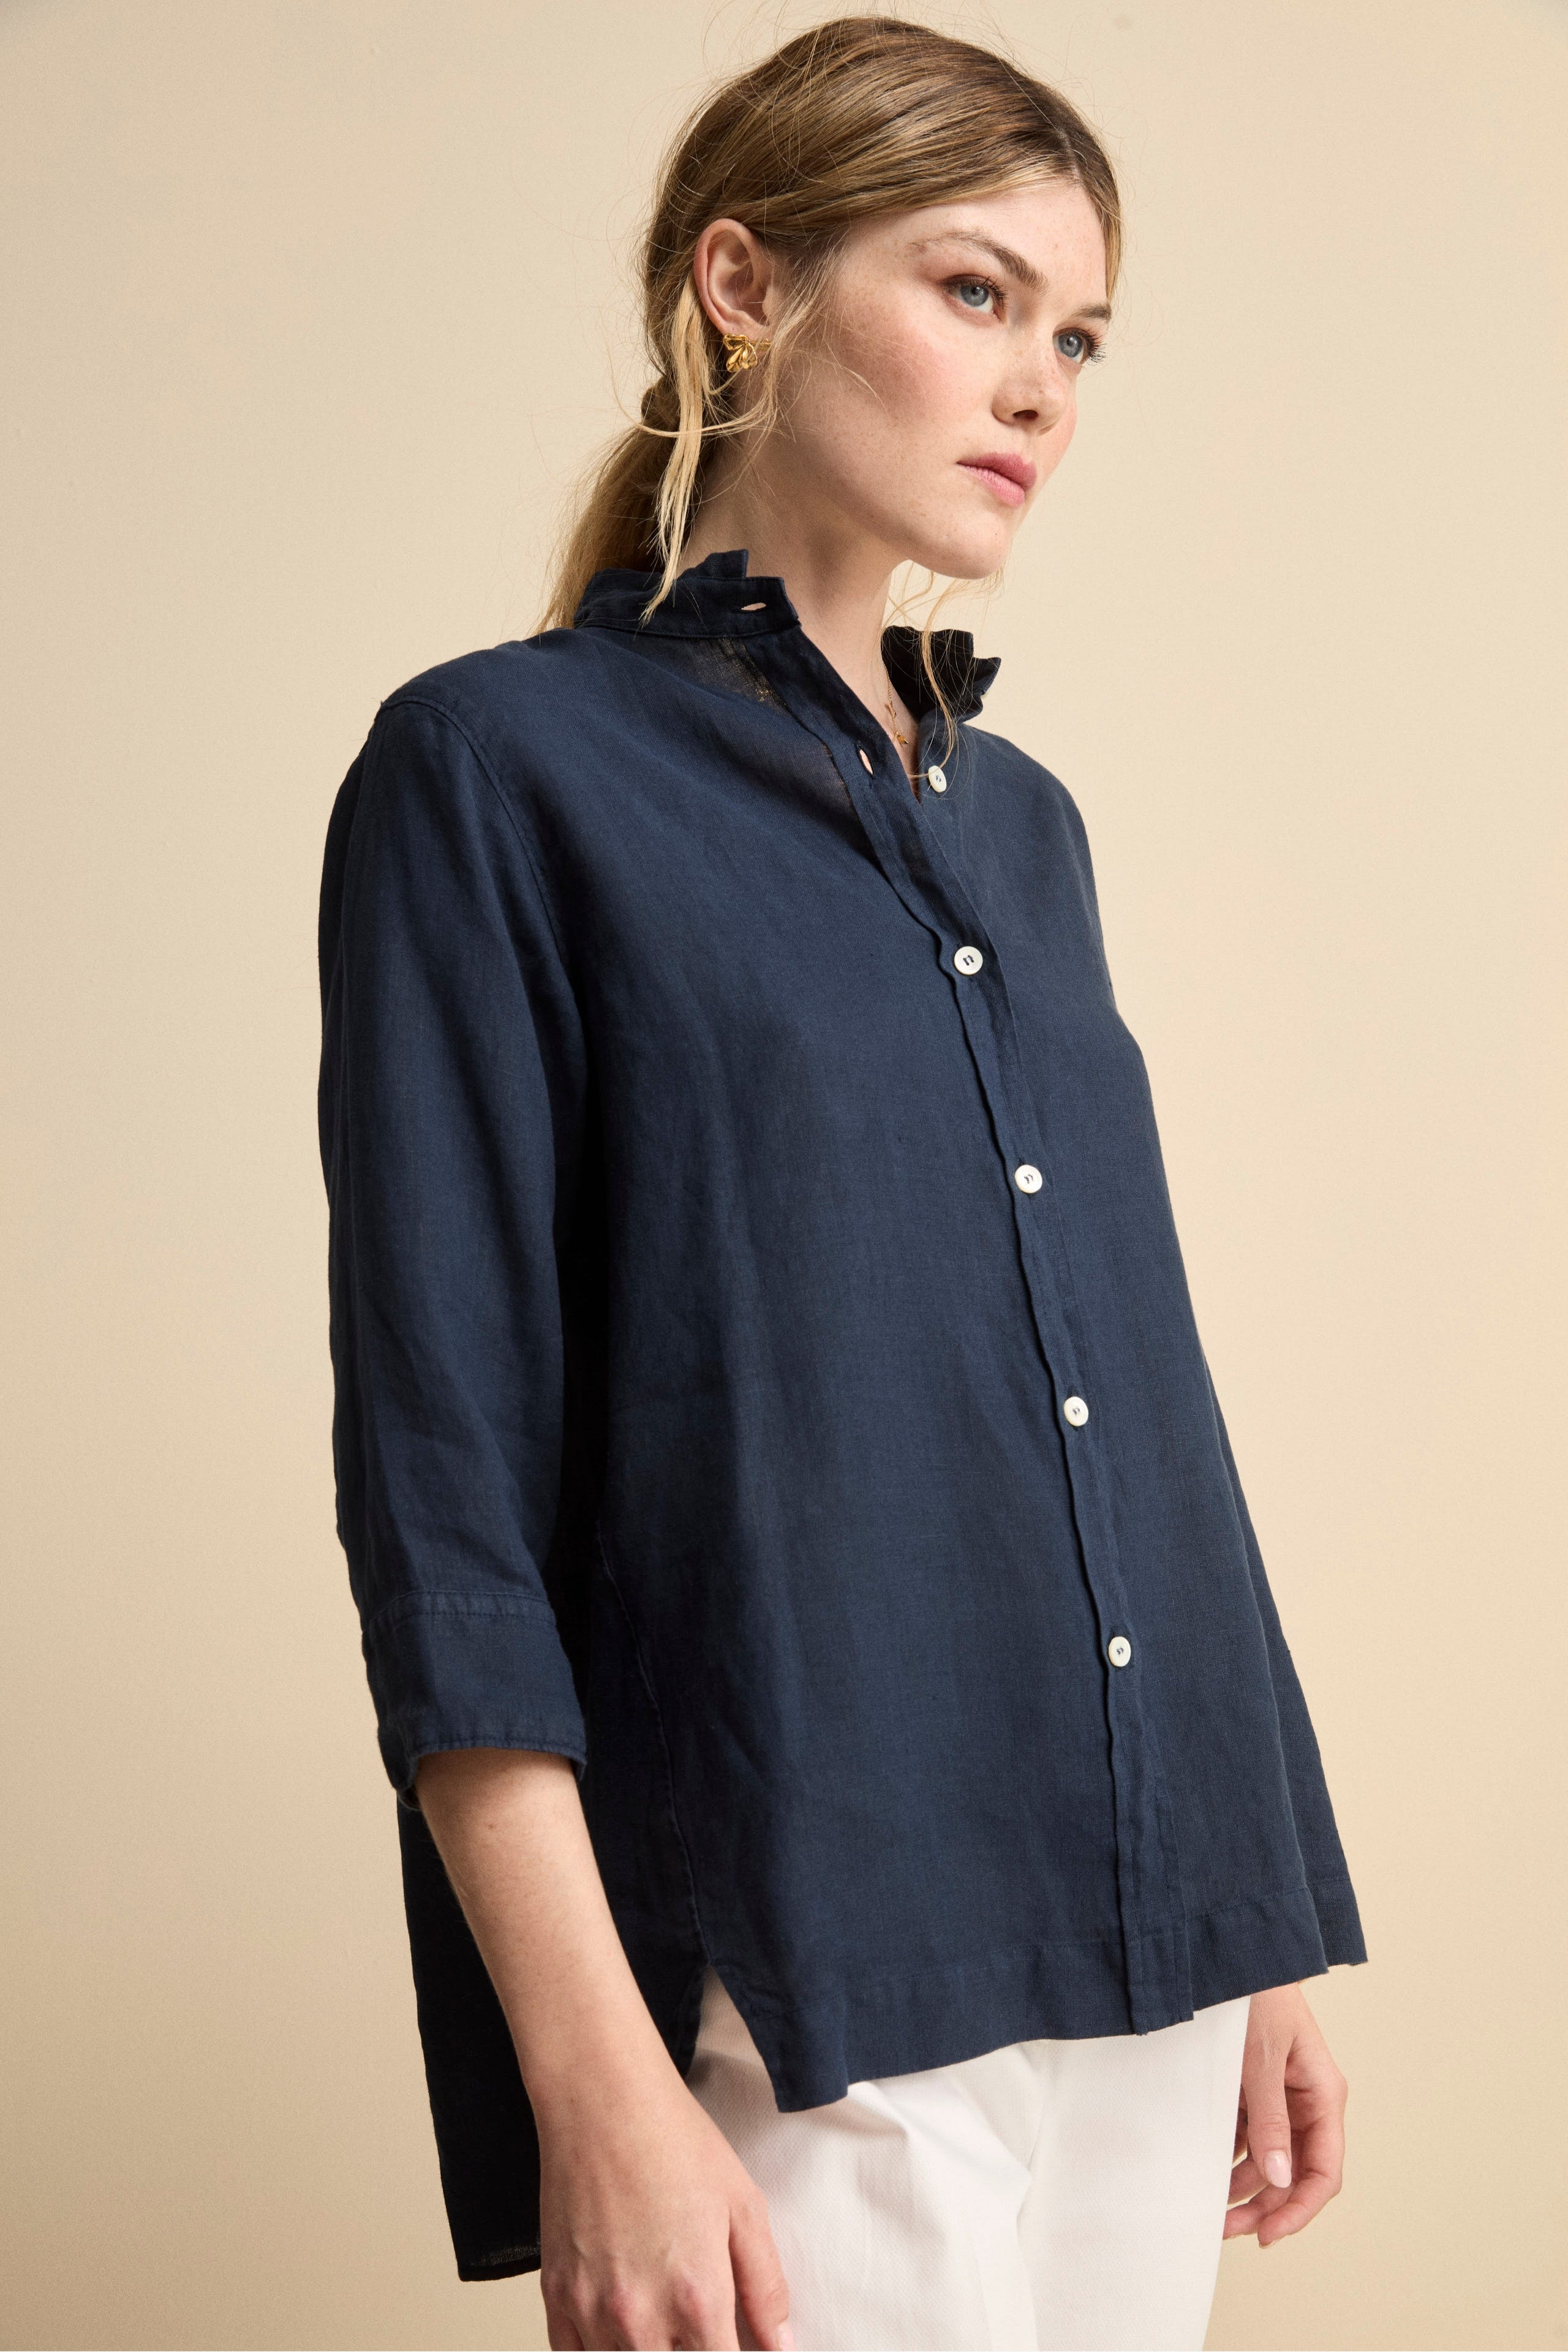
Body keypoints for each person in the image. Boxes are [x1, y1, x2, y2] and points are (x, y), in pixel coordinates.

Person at [316, 18, 1365, 2350]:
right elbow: (446, 1496)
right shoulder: (494, 773)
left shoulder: (1026, 829)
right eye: (977, 292)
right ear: (744, 287)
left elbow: (1134, 1391)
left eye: (1080, 336)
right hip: (812, 1958)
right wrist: (596, 2080)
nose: (1040, 387)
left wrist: (1258, 1918)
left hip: (1150, 1950)